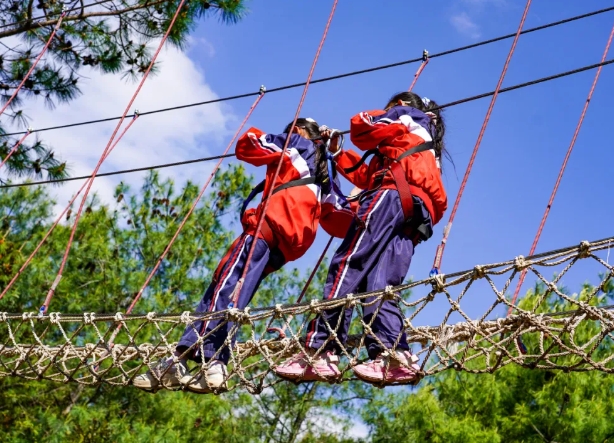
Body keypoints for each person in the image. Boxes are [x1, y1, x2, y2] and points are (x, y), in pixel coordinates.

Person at [133, 118, 355, 393]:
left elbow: (248, 144)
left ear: (297, 131)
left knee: (224, 285)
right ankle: (199, 359)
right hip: (286, 248)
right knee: (235, 293)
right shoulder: (324, 176)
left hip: (268, 228)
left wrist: (281, 138)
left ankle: (198, 360)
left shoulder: (296, 144)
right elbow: (341, 218)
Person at [273, 92, 449, 385]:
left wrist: (381, 116)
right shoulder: (419, 147)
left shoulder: (405, 115)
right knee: (379, 287)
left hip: (391, 197)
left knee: (347, 265)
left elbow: (362, 124)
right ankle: (393, 355)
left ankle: (321, 349)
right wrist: (338, 152)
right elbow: (368, 174)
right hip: (415, 214)